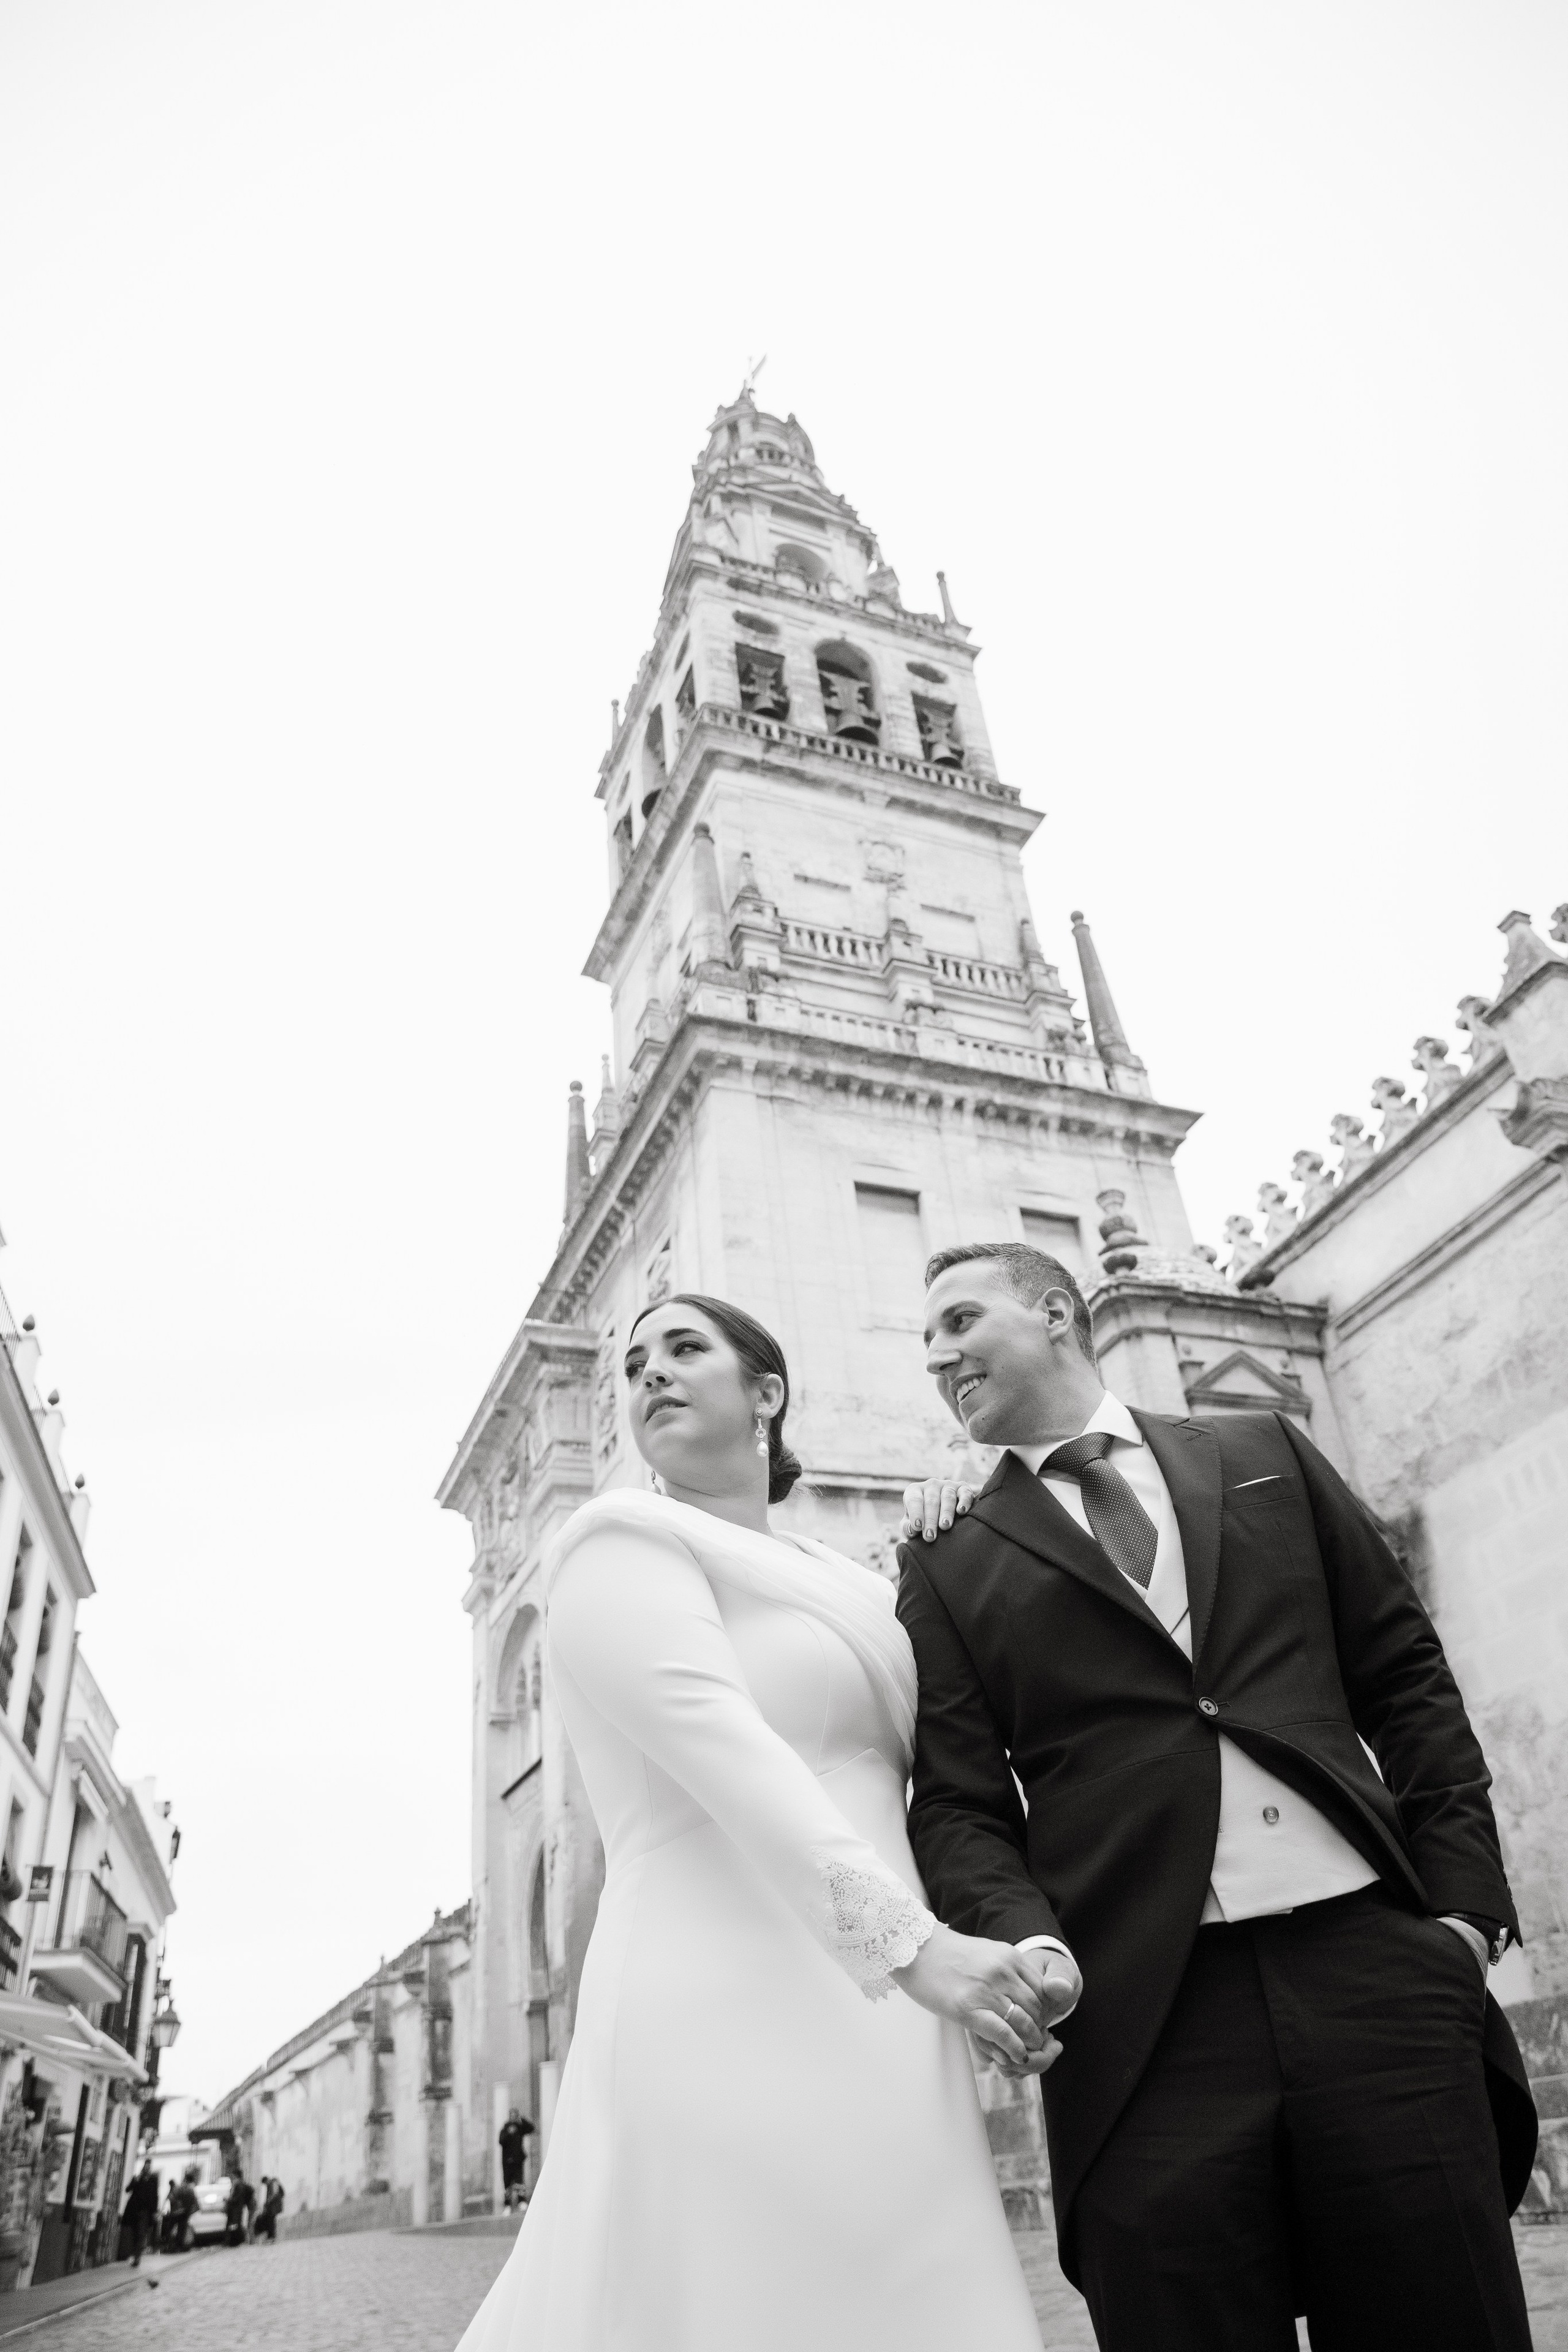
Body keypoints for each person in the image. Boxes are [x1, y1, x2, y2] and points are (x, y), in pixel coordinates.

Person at [897, 1240, 1537, 2352]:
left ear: (1056, 1313)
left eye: (958, 1322)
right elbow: (957, 1802)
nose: (936, 1357)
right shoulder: (946, 1556)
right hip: (1142, 2017)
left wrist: (1466, 1920)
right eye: (926, 1342)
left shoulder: (1262, 1449)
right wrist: (1028, 1943)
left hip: (1378, 1974)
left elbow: (1405, 1678)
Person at [456, 1293, 1069, 2352]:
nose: (651, 1373)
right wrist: (916, 1949)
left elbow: (950, 1764)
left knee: (911, 2291)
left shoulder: (851, 1581)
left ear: (768, 1393)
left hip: (887, 2014)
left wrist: (977, 1512)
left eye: (686, 1350)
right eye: (635, 1363)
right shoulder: (613, 1544)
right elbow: (730, 1757)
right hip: (718, 2000)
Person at [123, 2158, 159, 2266]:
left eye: (149, 2167)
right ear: (143, 2168)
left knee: (141, 2234)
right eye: (145, 2167)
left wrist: (155, 2211)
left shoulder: (153, 2180)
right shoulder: (137, 2178)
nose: (147, 2169)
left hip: (146, 2212)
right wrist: (135, 2181)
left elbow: (155, 2196)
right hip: (134, 2211)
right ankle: (134, 2255)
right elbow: (128, 2190)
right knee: (135, 2234)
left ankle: (137, 2258)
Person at [497, 2109, 532, 2212]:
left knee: (519, 2182)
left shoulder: (520, 2128)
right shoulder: (505, 2128)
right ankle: (507, 2205)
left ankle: (522, 2201)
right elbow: (501, 2141)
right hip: (507, 2161)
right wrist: (509, 2133)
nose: (513, 2118)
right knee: (507, 2183)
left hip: (517, 2160)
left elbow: (531, 2129)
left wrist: (522, 2120)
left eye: (515, 2116)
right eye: (512, 2116)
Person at [224, 2166, 254, 2245]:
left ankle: (235, 2241)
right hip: (235, 2208)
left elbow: (237, 2197)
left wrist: (229, 2200)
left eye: (232, 2175)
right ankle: (233, 2240)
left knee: (235, 2224)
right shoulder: (236, 2184)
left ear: (236, 2175)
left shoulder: (239, 2184)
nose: (231, 2177)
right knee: (234, 2224)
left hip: (236, 2208)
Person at [254, 2176, 284, 2243]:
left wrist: (268, 2201)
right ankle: (271, 2237)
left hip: (274, 2207)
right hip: (272, 2207)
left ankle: (272, 2237)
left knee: (271, 2221)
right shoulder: (272, 2184)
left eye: (265, 2183)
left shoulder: (273, 2183)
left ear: (266, 2181)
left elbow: (275, 2194)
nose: (266, 2185)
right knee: (270, 2221)